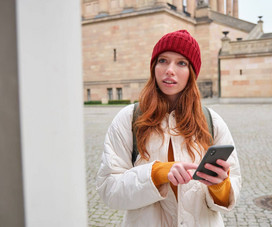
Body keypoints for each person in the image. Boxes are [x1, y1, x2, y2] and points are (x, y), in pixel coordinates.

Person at [96, 30, 241, 226]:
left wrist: (220, 186)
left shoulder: (212, 121)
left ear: (192, 72)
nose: (169, 70)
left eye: (181, 63)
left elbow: (231, 191)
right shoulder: (129, 119)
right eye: (163, 60)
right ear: (154, 67)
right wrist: (158, 173)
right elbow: (108, 189)